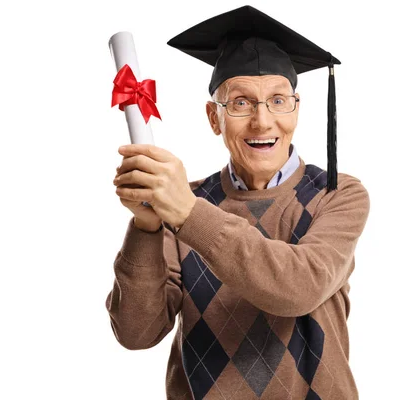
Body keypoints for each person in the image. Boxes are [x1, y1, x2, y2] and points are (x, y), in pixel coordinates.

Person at [105, 5, 371, 400]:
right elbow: (136, 333)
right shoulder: (184, 201)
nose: (262, 121)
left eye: (279, 100)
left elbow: (297, 287)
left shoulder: (336, 194)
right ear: (214, 118)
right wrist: (147, 227)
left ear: (296, 110)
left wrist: (187, 214)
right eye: (241, 103)